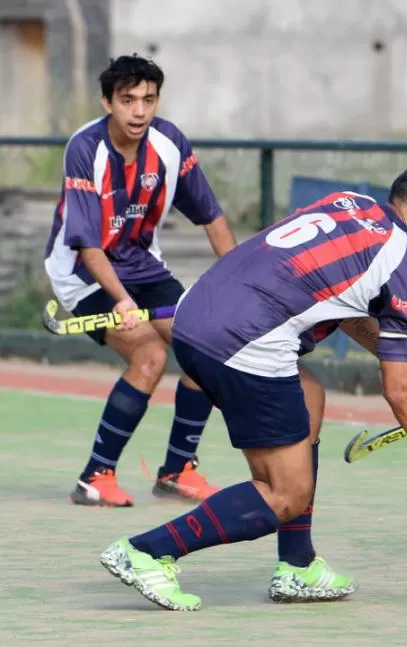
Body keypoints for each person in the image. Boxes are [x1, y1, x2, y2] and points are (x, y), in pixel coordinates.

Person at [98, 159, 407, 610]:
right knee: (284, 493)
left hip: (194, 315)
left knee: (309, 396)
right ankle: (147, 551)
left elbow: (340, 301)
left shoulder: (349, 205)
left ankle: (297, 565)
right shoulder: (403, 267)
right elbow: (400, 390)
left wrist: (392, 351)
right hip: (245, 342)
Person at [44, 54, 237, 507]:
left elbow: (212, 218)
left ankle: (176, 470)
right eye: (127, 100)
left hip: (143, 266)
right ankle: (95, 476)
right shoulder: (85, 148)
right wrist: (121, 300)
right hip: (83, 273)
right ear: (107, 102)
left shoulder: (170, 145)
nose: (138, 111)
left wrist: (236, 283)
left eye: (147, 100)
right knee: (149, 354)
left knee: (204, 348)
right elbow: (89, 245)